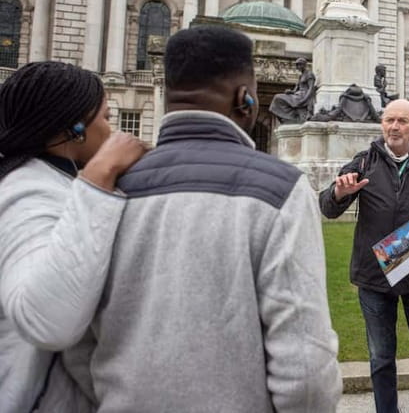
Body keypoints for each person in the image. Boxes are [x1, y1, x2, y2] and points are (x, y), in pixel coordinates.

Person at [66, 26, 341, 411]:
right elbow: (306, 368)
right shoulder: (283, 188)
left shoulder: (103, 188)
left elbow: (73, 336)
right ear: (245, 98)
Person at [0, 61, 147, 412]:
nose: (113, 131)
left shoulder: (39, 179)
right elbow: (47, 322)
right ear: (76, 127)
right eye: (108, 118)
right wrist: (99, 175)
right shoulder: (28, 191)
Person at [319, 98, 409, 413]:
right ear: (382, 124)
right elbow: (328, 208)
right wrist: (338, 193)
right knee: (381, 359)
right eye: (389, 120)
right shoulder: (362, 163)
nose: (394, 127)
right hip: (373, 278)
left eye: (401, 121)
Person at [269, 57, 316, 123]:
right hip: (296, 95)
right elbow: (295, 90)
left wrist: (304, 100)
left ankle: (289, 117)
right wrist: (290, 91)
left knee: (277, 97)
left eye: (299, 64)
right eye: (297, 65)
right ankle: (287, 118)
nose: (298, 67)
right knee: (277, 98)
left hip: (302, 97)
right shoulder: (300, 76)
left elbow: (311, 89)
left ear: (304, 65)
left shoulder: (309, 74)